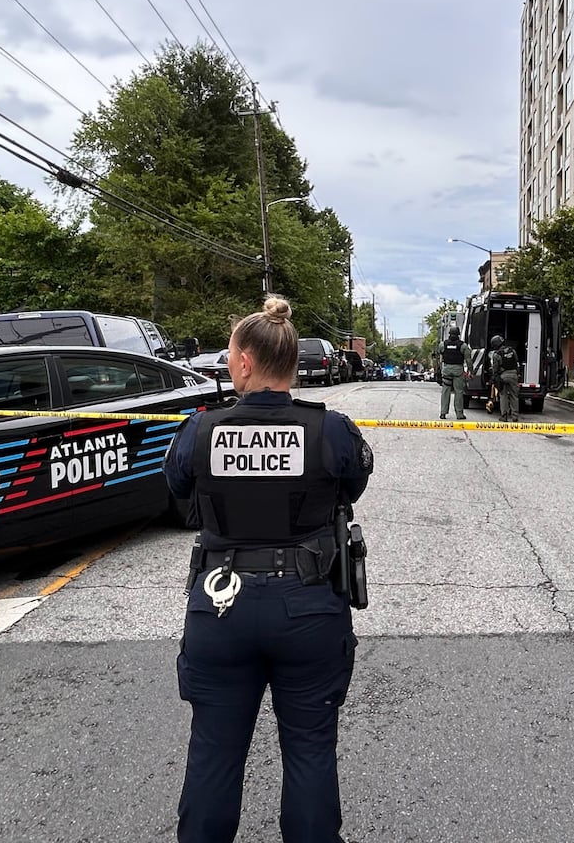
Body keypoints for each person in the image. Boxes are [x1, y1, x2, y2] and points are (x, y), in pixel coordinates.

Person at [163, 295, 374, 843]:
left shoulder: (201, 429)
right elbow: (353, 485)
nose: (228, 364)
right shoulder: (330, 429)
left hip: (221, 601)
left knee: (214, 751)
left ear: (246, 361)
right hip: (308, 603)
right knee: (309, 749)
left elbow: (178, 486)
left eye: (229, 355)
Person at [436, 326, 471, 420]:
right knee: (458, 392)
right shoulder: (463, 346)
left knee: (445, 391)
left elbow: (439, 354)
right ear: (458, 334)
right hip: (458, 370)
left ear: (449, 334)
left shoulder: (443, 344)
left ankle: (443, 413)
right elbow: (468, 360)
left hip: (447, 369)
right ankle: (459, 414)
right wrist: (471, 371)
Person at [489, 334, 521, 422]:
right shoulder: (512, 350)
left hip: (503, 376)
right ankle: (515, 416)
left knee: (503, 396)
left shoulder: (496, 354)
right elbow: (516, 362)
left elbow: (495, 369)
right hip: (513, 375)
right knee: (514, 396)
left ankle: (504, 416)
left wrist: (494, 377)